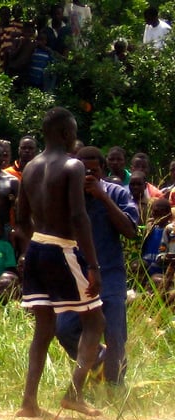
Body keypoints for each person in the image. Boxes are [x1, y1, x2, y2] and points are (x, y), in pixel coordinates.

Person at [15, 107, 105, 417]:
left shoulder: (29, 168)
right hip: (63, 248)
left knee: (43, 328)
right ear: (66, 133)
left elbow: (20, 220)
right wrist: (93, 265)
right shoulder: (73, 165)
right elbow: (79, 217)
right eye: (75, 130)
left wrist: (31, 247)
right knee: (95, 321)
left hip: (37, 248)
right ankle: (74, 394)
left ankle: (29, 402)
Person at [54, 145, 138, 388]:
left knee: (114, 333)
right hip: (74, 275)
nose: (88, 174)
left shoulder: (118, 193)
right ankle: (98, 362)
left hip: (110, 274)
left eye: (94, 168)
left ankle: (114, 387)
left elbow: (131, 230)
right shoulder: (65, 196)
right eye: (83, 169)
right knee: (65, 329)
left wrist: (102, 196)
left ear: (101, 169)